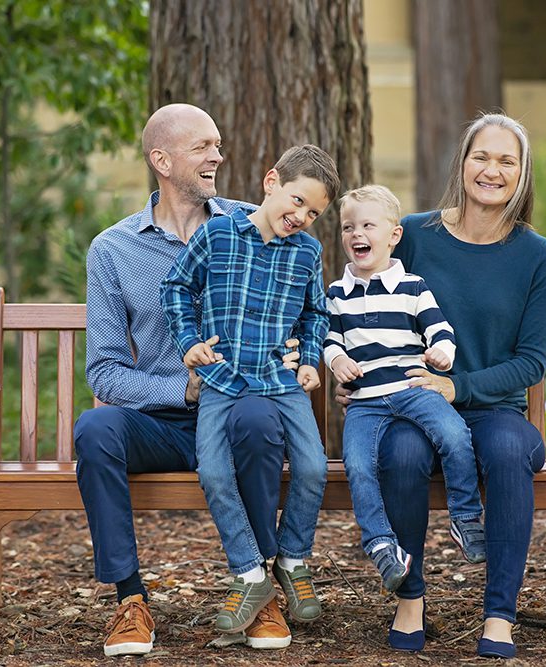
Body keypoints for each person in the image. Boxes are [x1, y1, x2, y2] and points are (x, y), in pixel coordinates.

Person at [75, 103, 299, 657]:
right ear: (162, 159)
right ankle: (130, 600)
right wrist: (182, 390)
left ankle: (258, 587)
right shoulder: (113, 249)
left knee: (256, 418)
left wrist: (297, 347)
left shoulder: (254, 225)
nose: (217, 156)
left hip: (237, 414)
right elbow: (103, 369)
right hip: (164, 424)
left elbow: (299, 307)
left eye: (217, 145)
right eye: (202, 146)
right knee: (95, 430)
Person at [336, 114, 546, 658]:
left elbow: (531, 362)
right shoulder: (412, 234)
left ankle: (499, 615)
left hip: (491, 409)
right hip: (409, 405)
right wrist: (354, 369)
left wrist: (453, 388)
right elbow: (365, 305)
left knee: (510, 452)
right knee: (403, 453)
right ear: (462, 163)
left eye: (507, 160)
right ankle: (410, 597)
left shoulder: (537, 256)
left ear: (522, 174)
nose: (492, 170)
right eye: (481, 156)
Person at [162, 145, 340, 637]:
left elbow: (314, 314)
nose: (301, 216)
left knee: (312, 467)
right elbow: (176, 288)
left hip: (280, 381)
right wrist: (190, 343)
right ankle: (250, 572)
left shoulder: (307, 252)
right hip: (220, 379)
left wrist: (308, 360)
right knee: (215, 473)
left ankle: (293, 560)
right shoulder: (217, 235)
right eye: (298, 201)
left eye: (314, 213)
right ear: (271, 182)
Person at [324, 184, 485, 597]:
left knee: (454, 435)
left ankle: (465, 517)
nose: (356, 234)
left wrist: (442, 353)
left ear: (393, 235)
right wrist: (337, 361)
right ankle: (380, 543)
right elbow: (330, 340)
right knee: (358, 465)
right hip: (364, 402)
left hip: (413, 387)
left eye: (367, 226)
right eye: (347, 227)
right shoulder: (336, 294)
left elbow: (439, 327)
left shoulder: (412, 286)